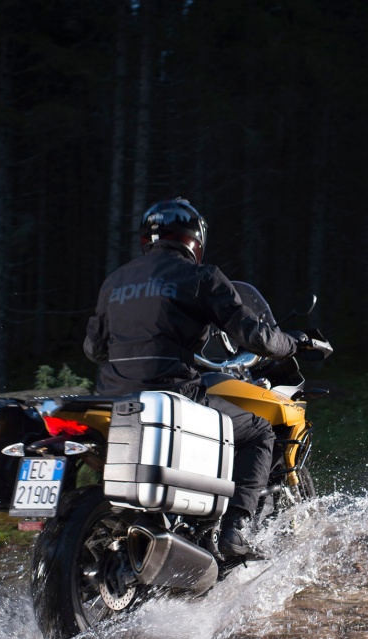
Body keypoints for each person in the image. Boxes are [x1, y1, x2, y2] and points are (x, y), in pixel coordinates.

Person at [83, 197, 303, 560]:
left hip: (115, 399)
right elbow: (255, 336)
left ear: (147, 237)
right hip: (173, 394)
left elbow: (94, 349)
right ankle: (235, 531)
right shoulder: (202, 277)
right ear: (195, 238)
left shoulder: (115, 281)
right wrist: (293, 343)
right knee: (260, 433)